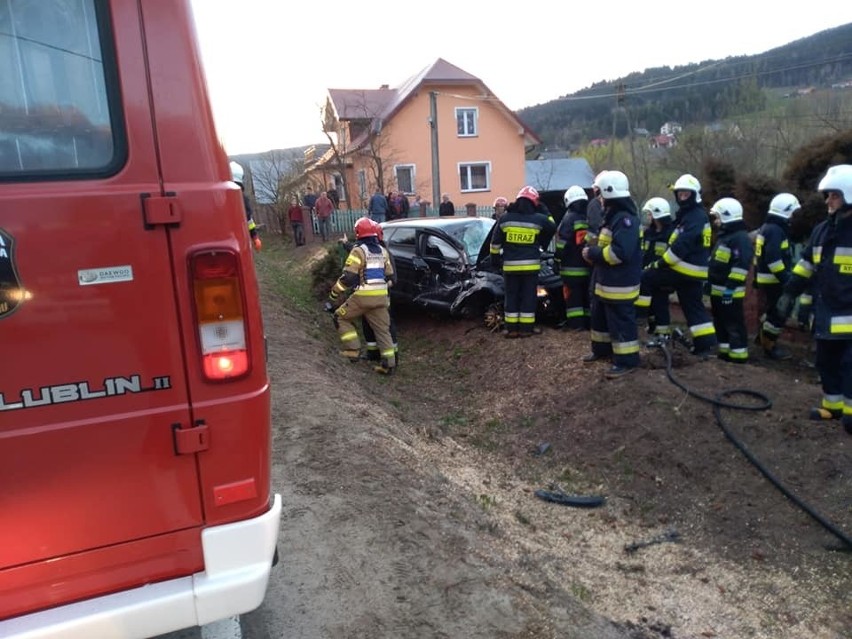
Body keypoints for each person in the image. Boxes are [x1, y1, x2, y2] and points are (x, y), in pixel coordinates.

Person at [767, 165, 852, 432]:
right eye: (827, 195)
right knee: (825, 361)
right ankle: (833, 406)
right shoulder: (821, 232)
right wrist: (790, 295)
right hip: (825, 313)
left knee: (850, 366)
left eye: (833, 196)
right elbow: (806, 267)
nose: (828, 201)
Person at [640, 173, 717, 357]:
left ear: (694, 195)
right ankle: (704, 346)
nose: (682, 197)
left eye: (686, 194)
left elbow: (682, 245)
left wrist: (659, 264)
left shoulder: (695, 217)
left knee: (645, 278)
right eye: (680, 194)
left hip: (684, 269)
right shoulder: (689, 216)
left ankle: (637, 323)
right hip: (690, 271)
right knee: (693, 307)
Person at [580, 170, 643, 378]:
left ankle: (627, 362)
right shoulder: (612, 218)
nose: (598, 199)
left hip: (619, 285)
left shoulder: (625, 220)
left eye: (600, 195)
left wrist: (593, 253)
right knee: (601, 320)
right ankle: (602, 351)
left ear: (609, 193)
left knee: (621, 323)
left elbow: (619, 253)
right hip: (606, 282)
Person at [327, 217, 396, 375]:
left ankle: (353, 350)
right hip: (381, 298)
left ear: (358, 233)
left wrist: (334, 292)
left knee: (340, 318)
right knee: (382, 330)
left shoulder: (358, 251)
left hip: (363, 297)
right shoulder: (383, 251)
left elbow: (348, 278)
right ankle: (388, 365)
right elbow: (390, 276)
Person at [490, 186, 556, 338]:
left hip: (510, 267)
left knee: (511, 296)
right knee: (528, 297)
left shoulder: (505, 219)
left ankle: (511, 329)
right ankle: (527, 329)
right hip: (530, 267)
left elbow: (495, 244)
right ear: (534, 202)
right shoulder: (538, 219)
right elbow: (552, 226)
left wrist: (495, 262)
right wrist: (544, 209)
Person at [754, 192, 801, 360]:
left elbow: (759, 257)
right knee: (779, 314)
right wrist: (787, 280)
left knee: (773, 312)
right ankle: (769, 346)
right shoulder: (775, 231)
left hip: (767, 279)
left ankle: (763, 338)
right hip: (774, 281)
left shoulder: (767, 228)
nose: (794, 217)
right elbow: (773, 260)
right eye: (793, 212)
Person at [707, 198, 753, 364]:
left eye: (718, 217)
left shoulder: (740, 238)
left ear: (727, 216)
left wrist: (731, 288)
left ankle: (739, 356)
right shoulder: (725, 238)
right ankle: (724, 352)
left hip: (730, 292)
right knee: (720, 323)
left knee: (733, 324)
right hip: (718, 291)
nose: (716, 221)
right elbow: (717, 264)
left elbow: (741, 265)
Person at [554, 185, 591, 330]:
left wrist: (557, 260)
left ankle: (576, 325)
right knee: (586, 296)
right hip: (588, 266)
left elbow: (562, 243)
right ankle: (588, 323)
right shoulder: (589, 217)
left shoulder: (569, 218)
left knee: (573, 297)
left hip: (571, 267)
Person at [634, 197, 674, 329]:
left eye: (650, 214)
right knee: (653, 305)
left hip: (663, 274)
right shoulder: (648, 233)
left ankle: (661, 333)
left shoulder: (670, 233)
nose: (649, 217)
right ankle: (652, 329)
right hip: (648, 272)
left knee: (660, 305)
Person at [229, 161, 262, 251]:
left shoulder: (218, 196)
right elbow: (248, 220)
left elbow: (248, 220)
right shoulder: (242, 198)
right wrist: (254, 236)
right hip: (240, 241)